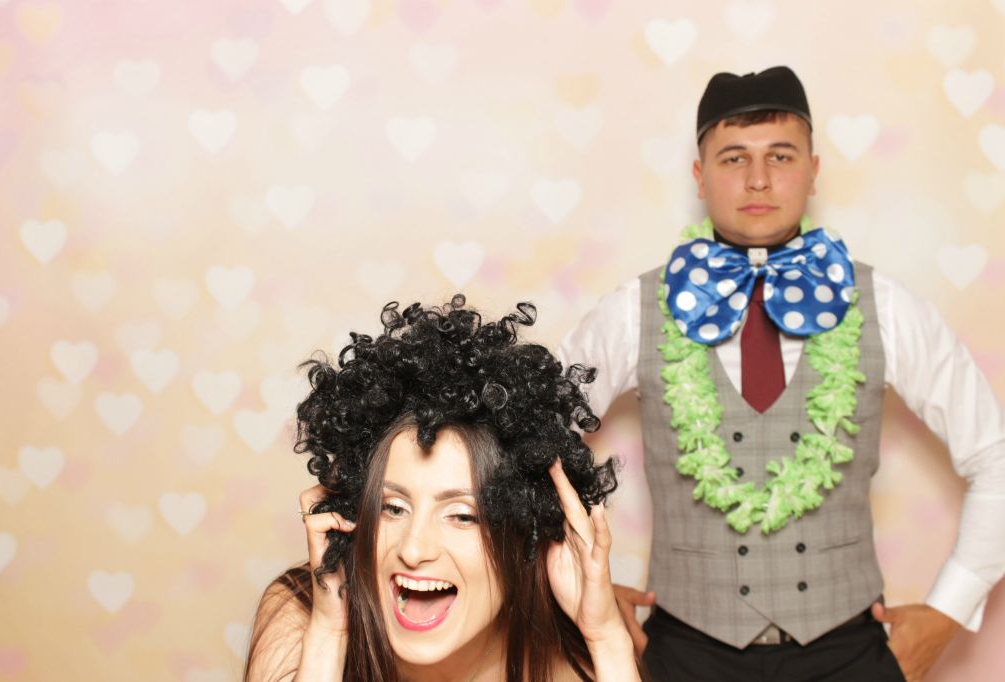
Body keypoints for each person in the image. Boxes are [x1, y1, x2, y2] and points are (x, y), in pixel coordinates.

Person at [559, 66, 1005, 681]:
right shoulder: (634, 310)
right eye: (734, 157)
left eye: (781, 155)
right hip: (683, 655)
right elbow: (528, 444)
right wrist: (583, 592)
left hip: (850, 653)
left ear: (814, 170)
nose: (759, 179)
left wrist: (951, 609)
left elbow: (995, 456)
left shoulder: (885, 305)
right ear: (699, 176)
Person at [245, 296, 642, 681]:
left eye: (463, 516)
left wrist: (606, 638)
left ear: (526, 532)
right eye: (393, 508)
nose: (413, 550)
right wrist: (329, 635)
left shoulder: (579, 664)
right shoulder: (301, 616)